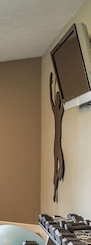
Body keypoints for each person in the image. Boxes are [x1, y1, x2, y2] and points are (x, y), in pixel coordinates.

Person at [50, 73, 65, 202]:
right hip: (56, 141)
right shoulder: (56, 109)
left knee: (59, 163)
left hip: (58, 142)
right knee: (55, 163)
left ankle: (57, 182)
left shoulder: (59, 110)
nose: (56, 99)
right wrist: (51, 84)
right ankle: (55, 192)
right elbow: (50, 98)